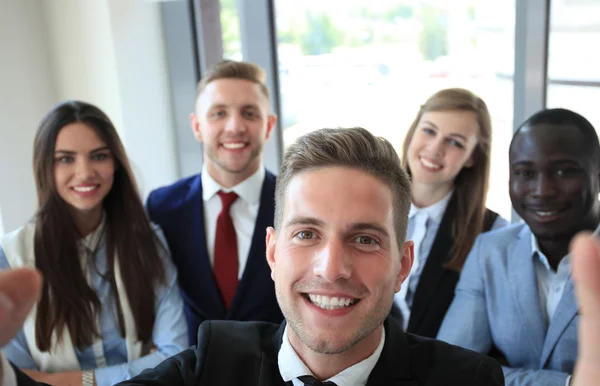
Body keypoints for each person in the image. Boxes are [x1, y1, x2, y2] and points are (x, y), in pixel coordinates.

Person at [116, 127, 504, 385]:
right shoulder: (212, 363)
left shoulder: (468, 380)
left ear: (403, 264)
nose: (332, 268)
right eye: (306, 234)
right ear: (272, 253)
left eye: (365, 239)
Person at [0, 101, 188, 386]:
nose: (85, 172)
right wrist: (140, 367)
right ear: (45, 167)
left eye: (98, 156)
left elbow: (175, 357)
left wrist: (71, 381)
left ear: (115, 163)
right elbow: (21, 378)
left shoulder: (149, 242)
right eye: (66, 158)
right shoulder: (12, 257)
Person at [437, 108, 600, 385]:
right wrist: (570, 383)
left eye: (564, 171)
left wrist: (495, 372)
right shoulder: (490, 251)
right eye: (525, 172)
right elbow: (449, 368)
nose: (542, 190)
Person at [146, 60, 283, 345]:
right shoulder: (161, 208)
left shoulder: (295, 206)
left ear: (268, 125)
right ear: (197, 126)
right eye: (219, 113)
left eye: (249, 113)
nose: (235, 127)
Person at [390, 88, 508, 338]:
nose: (435, 148)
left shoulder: (492, 232)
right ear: (413, 131)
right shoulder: (368, 206)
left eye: (455, 142)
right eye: (429, 130)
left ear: (472, 158)